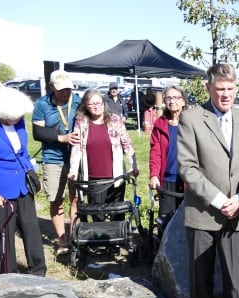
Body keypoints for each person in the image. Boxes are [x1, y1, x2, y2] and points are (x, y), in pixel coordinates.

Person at [177, 63, 239, 298]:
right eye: (220, 89)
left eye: (230, 89)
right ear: (209, 88)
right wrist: (218, 199)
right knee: (200, 275)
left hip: (237, 211)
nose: (225, 95)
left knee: (235, 275)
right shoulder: (191, 118)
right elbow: (187, 167)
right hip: (203, 212)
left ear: (236, 88)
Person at [0, 87, 47, 276]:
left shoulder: (18, 119)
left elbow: (22, 151)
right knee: (4, 234)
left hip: (22, 184)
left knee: (31, 228)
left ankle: (38, 272)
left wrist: (30, 172)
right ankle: (8, 274)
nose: (16, 121)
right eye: (12, 118)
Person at [67, 89, 138, 221]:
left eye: (99, 103)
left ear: (104, 103)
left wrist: (133, 165)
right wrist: (73, 170)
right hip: (94, 178)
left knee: (117, 211)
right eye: (92, 104)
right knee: (97, 213)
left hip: (115, 176)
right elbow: (76, 147)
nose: (96, 106)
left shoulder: (115, 120)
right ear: (85, 106)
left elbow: (127, 143)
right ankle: (100, 239)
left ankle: (117, 240)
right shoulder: (81, 122)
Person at [32, 69, 81, 256]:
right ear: (51, 87)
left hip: (76, 158)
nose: (65, 93)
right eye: (61, 89)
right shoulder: (42, 104)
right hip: (53, 159)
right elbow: (38, 133)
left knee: (76, 199)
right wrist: (62, 138)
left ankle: (75, 236)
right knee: (56, 200)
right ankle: (62, 239)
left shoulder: (78, 101)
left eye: (68, 89)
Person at [149, 85, 187, 218]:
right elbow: (155, 153)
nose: (172, 101)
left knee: (186, 222)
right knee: (166, 221)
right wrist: (154, 175)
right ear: (164, 102)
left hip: (188, 180)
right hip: (167, 179)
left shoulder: (191, 123)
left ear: (183, 101)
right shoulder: (160, 125)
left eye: (176, 97)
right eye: (169, 98)